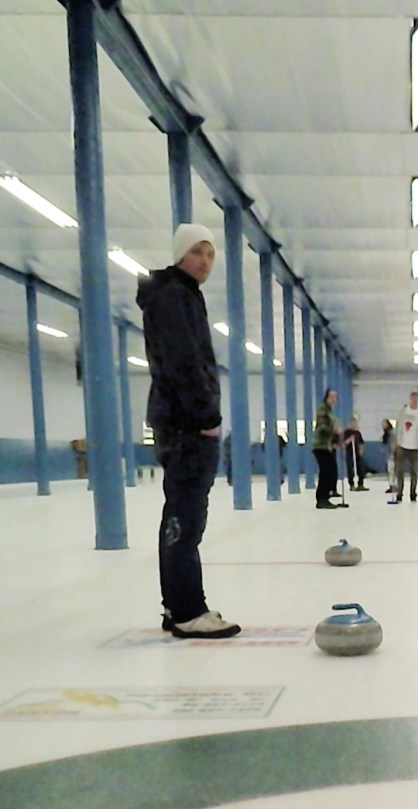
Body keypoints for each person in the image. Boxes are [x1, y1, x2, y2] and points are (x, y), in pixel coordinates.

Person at [137, 222, 240, 639]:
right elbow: (184, 363)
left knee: (179, 515)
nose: (205, 261)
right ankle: (187, 610)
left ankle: (176, 605)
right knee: (185, 516)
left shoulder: (178, 297)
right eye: (198, 252)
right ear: (181, 255)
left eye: (211, 254)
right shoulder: (174, 297)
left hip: (179, 423)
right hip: (186, 427)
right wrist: (206, 418)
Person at [393, 390, 418, 502]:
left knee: (414, 472)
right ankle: (399, 493)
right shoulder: (403, 411)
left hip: (415, 447)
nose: (414, 400)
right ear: (410, 398)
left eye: (417, 399)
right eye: (413, 398)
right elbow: (397, 427)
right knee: (400, 471)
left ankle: (413, 493)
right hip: (402, 445)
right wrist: (395, 442)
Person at [313, 389, 341, 509]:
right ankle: (321, 498)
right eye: (333, 397)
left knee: (331, 471)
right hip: (320, 445)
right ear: (327, 397)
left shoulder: (329, 410)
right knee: (326, 472)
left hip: (327, 445)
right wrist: (333, 429)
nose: (335, 400)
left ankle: (325, 496)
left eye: (336, 397)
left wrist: (335, 440)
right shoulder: (322, 410)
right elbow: (322, 427)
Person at [342, 417, 369, 491]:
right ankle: (352, 484)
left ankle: (361, 484)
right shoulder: (347, 432)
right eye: (352, 423)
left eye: (355, 423)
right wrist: (350, 439)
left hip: (357, 453)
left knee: (360, 468)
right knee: (350, 469)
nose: (354, 425)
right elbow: (344, 443)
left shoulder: (358, 433)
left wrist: (361, 451)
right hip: (349, 453)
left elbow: (361, 443)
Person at [381, 418, 397, 493]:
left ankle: (394, 486)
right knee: (390, 470)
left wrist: (392, 453)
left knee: (392, 470)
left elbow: (393, 443)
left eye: (384, 424)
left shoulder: (392, 433)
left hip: (392, 454)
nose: (383, 425)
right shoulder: (385, 434)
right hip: (387, 454)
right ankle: (391, 485)